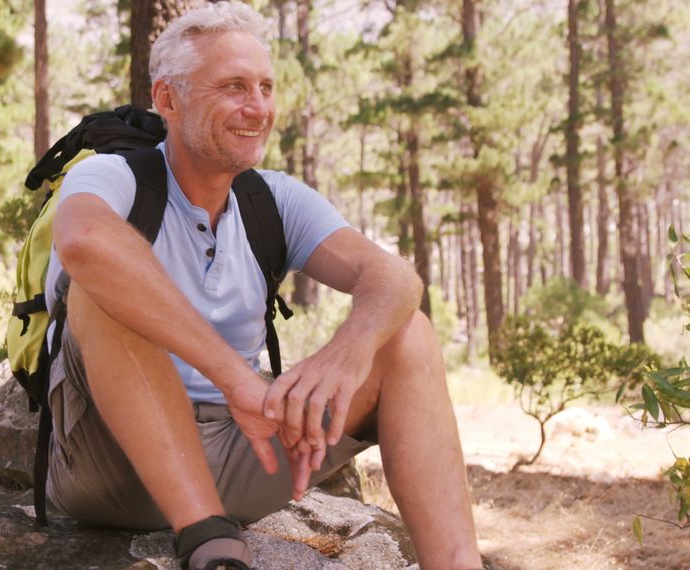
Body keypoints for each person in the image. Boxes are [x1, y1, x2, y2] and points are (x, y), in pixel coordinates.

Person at [42, 2, 483, 569]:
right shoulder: (112, 176)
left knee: (409, 333)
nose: (258, 108)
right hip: (108, 464)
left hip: (242, 448)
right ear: (167, 99)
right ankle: (210, 545)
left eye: (266, 87)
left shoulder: (270, 198)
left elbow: (393, 276)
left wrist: (348, 353)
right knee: (98, 294)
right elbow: (83, 243)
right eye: (233, 87)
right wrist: (237, 380)